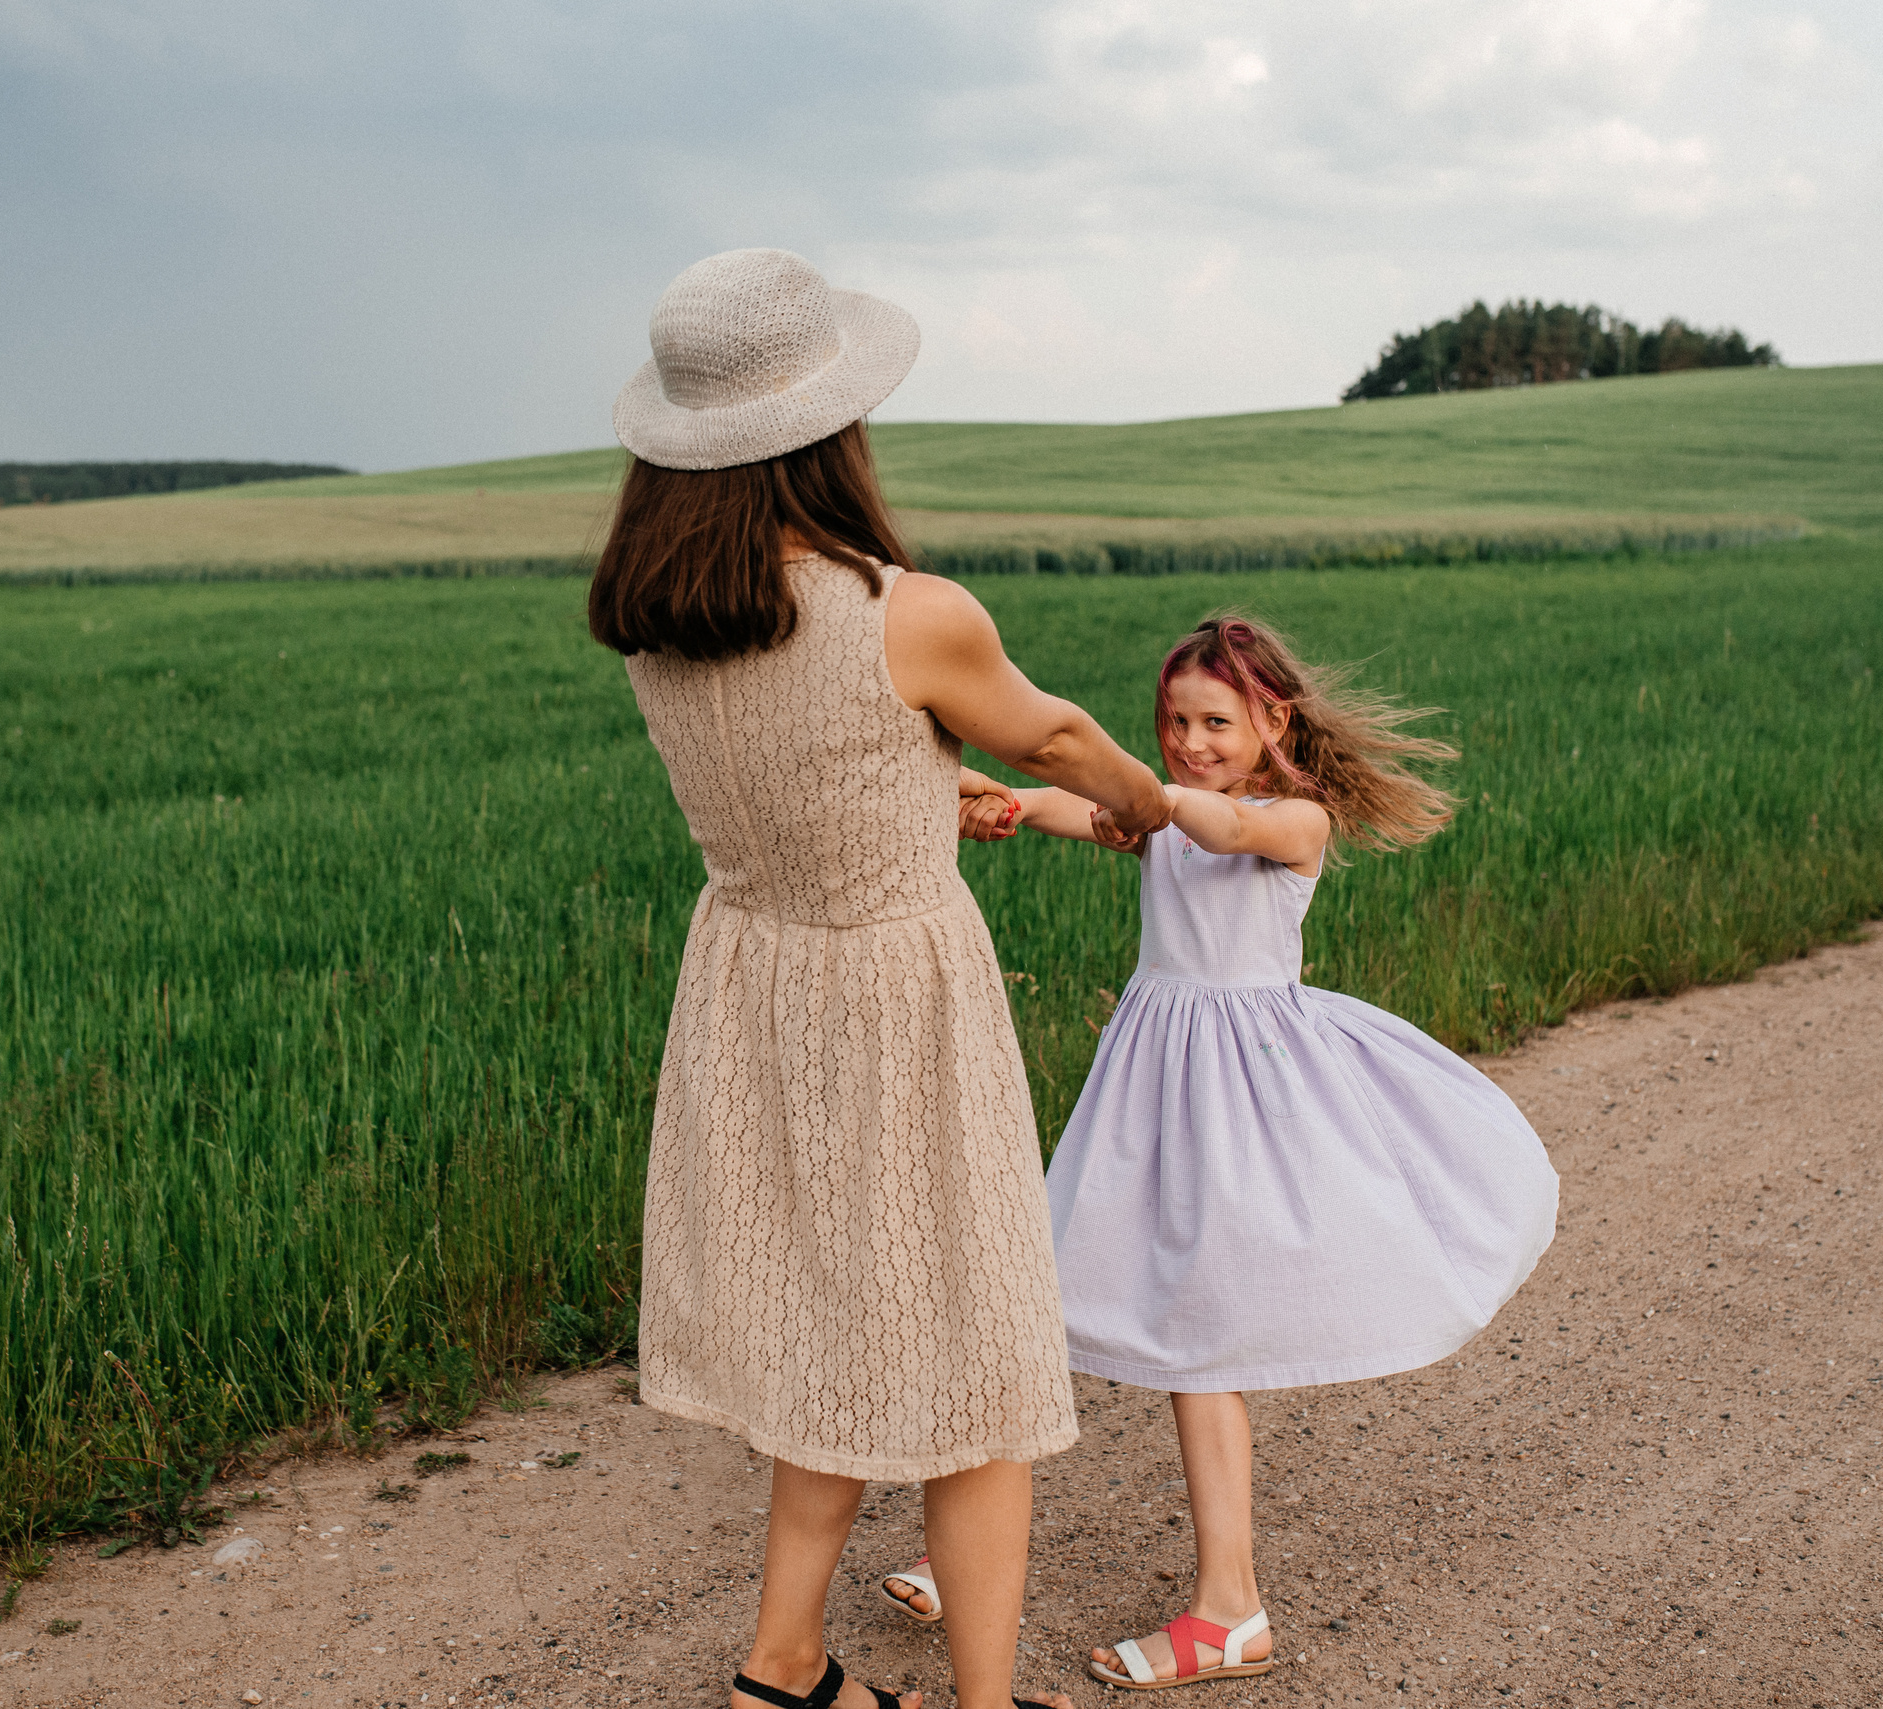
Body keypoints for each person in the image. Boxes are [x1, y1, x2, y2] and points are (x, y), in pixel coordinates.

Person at [591, 248, 1173, 1709]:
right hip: (894, 1002)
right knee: (980, 1369)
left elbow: (816, 765)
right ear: (826, 432)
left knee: (830, 1335)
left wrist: (927, 789)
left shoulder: (662, 627)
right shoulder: (911, 611)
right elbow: (1050, 737)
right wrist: (1146, 804)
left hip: (753, 989)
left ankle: (786, 1665)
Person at [887, 611, 1559, 1689]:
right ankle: (967, 1550)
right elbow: (1088, 805)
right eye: (1173, 721)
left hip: (1245, 1101)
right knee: (1048, 1291)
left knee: (1196, 1340)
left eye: (1213, 720)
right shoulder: (1161, 813)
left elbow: (1211, 825)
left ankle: (1228, 1609)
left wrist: (1143, 800)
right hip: (1148, 1087)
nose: (1190, 739)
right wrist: (1008, 799)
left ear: (1270, 719)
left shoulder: (1291, 821)